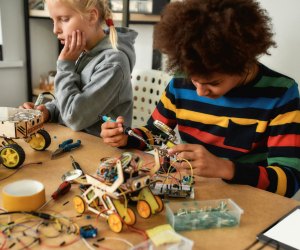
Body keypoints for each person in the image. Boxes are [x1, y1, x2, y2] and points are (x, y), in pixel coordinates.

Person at [100, 0, 300, 197]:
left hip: (250, 202)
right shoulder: (180, 81)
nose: (200, 92)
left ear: (243, 63)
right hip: (194, 193)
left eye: (213, 83)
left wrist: (226, 168)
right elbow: (157, 133)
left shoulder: (281, 94)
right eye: (194, 81)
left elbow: (289, 180)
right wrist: (127, 137)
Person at [21, 0, 137, 136]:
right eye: (53, 21)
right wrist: (47, 111)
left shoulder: (113, 64)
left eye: (63, 19)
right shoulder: (83, 52)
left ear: (92, 16)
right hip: (77, 142)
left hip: (101, 152)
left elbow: (74, 118)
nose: (55, 29)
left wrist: (65, 65)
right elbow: (68, 100)